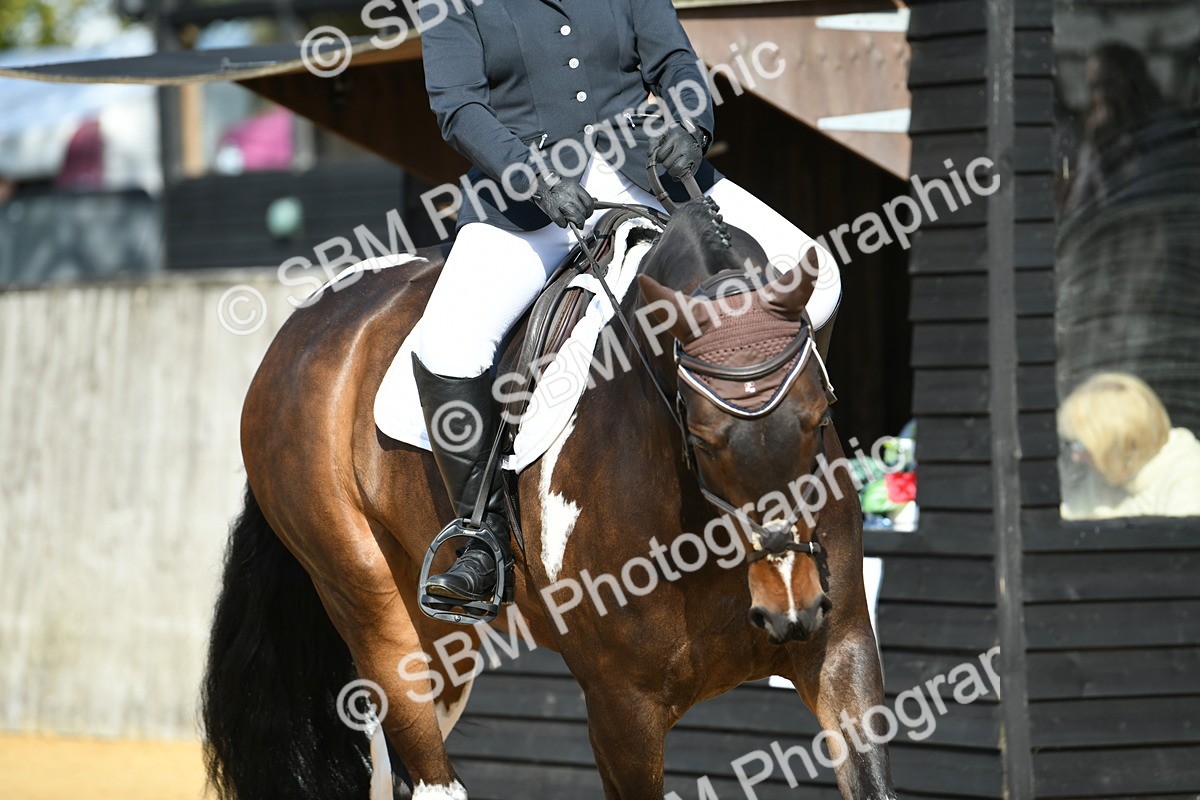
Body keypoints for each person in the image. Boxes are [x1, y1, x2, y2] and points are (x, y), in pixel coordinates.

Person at [413, 0, 842, 606]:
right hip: (526, 202)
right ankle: (482, 537)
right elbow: (459, 106)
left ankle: (794, 452)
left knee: (820, 279)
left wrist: (690, 131)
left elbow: (675, 64)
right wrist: (529, 174)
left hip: (643, 171)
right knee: (449, 346)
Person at [1058, 372, 1200, 520]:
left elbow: (1181, 540)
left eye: (1082, 445)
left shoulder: (1189, 475)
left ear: (1119, 446)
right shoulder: (1097, 476)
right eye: (1073, 443)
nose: (1076, 457)